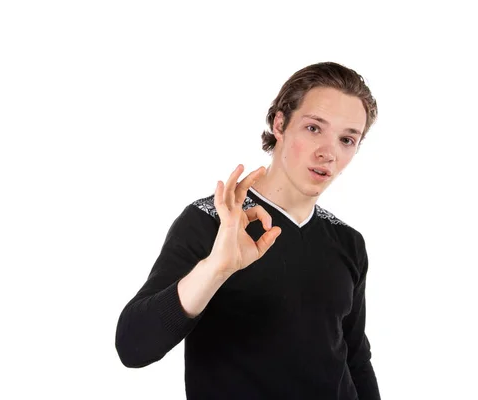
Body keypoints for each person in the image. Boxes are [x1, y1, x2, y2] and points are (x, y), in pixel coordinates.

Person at [115, 61, 381, 399]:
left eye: (346, 139)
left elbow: (356, 357)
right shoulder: (213, 221)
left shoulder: (347, 241)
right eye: (314, 128)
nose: (328, 153)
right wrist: (216, 268)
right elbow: (133, 347)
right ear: (280, 123)